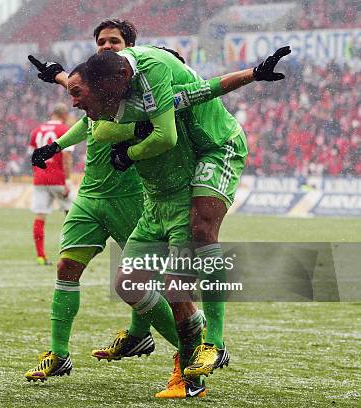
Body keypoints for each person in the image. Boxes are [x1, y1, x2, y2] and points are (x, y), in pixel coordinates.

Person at [83, 45, 290, 383]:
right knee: (138, 278)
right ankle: (146, 335)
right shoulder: (132, 96)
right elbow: (94, 116)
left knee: (202, 230)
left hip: (220, 146)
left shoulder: (161, 89)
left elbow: (202, 94)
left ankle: (215, 342)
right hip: (188, 163)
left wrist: (254, 73)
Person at [28, 102, 73, 265]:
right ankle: (69, 255)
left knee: (40, 216)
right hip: (59, 178)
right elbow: (67, 157)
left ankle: (40, 256)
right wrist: (67, 180)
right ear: (64, 115)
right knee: (72, 215)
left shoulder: (36, 131)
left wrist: (38, 174)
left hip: (40, 179)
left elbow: (33, 157)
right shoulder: (64, 130)